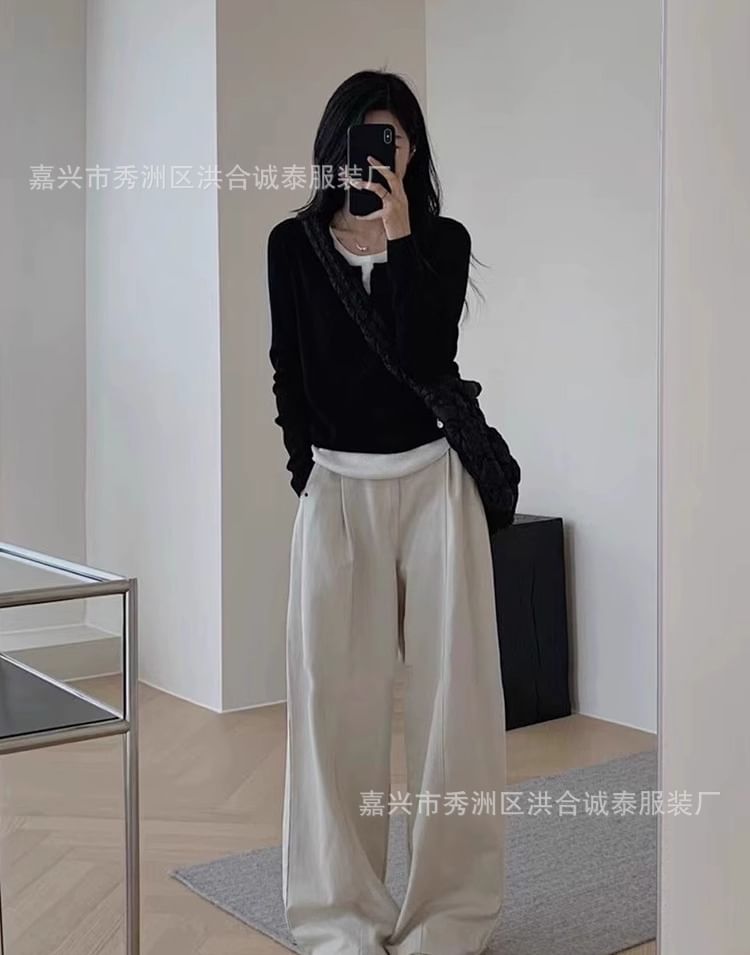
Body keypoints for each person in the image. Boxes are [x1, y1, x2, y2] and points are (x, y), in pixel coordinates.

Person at [266, 68, 507, 955]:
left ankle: (452, 915)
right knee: (333, 710)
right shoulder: (293, 246)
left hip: (437, 487)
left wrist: (401, 236)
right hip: (338, 491)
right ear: (338, 145)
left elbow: (424, 355)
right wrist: (307, 470)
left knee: (455, 712)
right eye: (368, 138)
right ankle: (340, 917)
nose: (382, 153)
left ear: (412, 150)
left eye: (395, 140)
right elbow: (289, 370)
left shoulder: (442, 241)